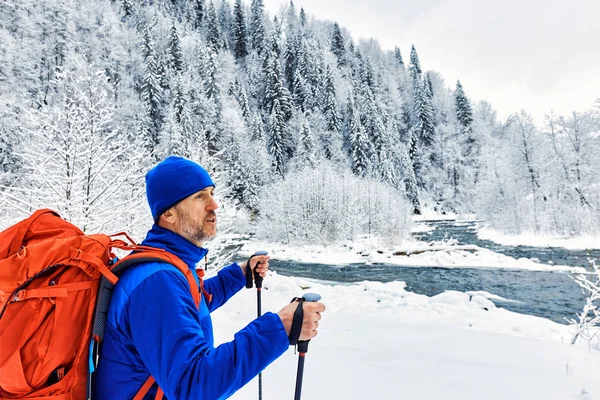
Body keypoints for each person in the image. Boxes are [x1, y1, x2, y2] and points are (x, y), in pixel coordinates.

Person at [94, 156, 325, 399]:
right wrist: (280, 327)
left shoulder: (167, 266)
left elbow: (191, 303)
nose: (214, 205)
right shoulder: (158, 282)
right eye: (200, 196)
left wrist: (240, 274)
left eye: (212, 193)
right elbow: (192, 386)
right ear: (169, 213)